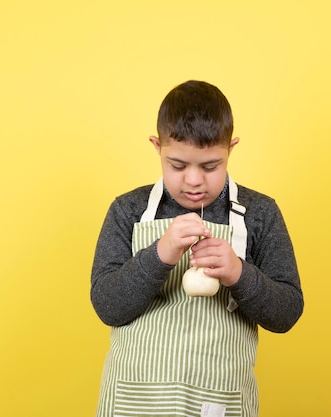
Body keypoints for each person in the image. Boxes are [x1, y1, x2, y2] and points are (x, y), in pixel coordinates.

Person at [91, 80, 304, 417]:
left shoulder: (260, 214)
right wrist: (159, 255)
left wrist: (238, 273)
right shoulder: (128, 210)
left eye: (210, 166)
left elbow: (287, 312)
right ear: (156, 146)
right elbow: (107, 306)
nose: (193, 180)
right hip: (137, 401)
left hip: (218, 402)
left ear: (230, 149)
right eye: (177, 166)